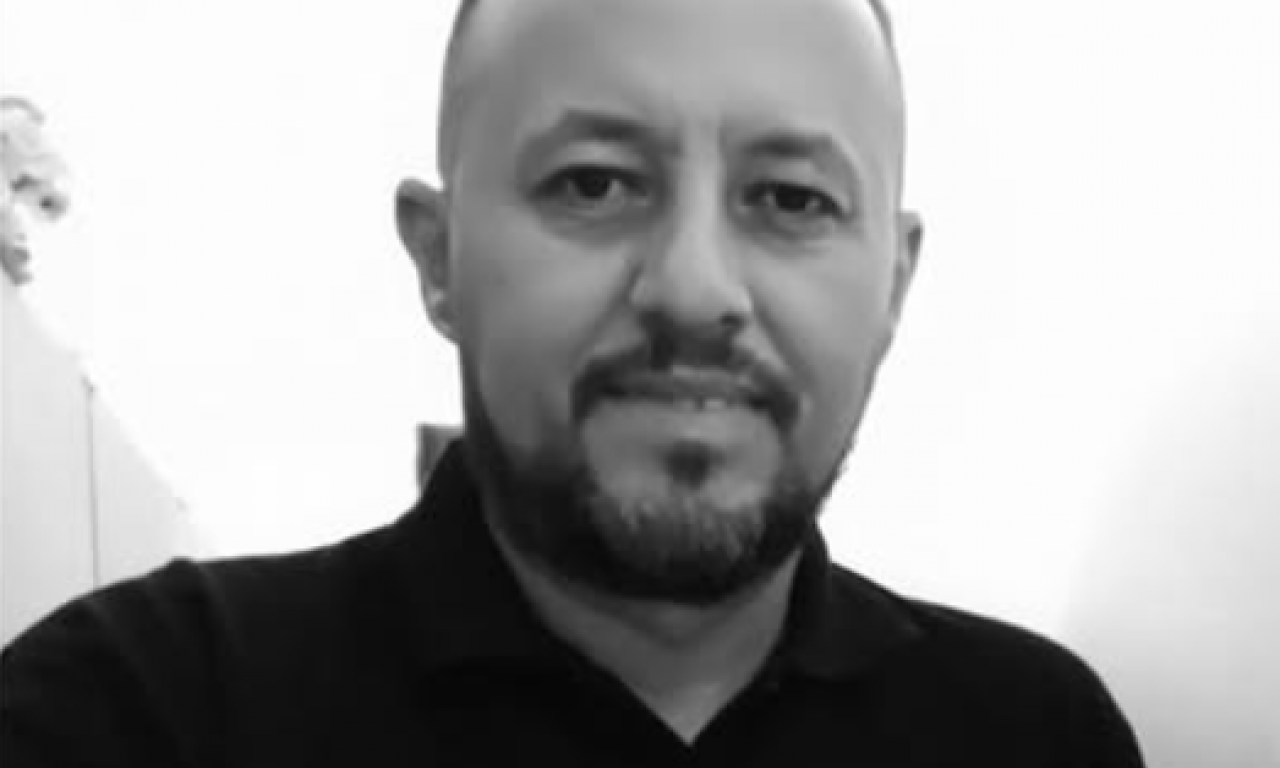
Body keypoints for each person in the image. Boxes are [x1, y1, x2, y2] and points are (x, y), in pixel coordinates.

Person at [1, 0, 1147, 764]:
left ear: (891, 284)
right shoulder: (135, 711)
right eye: (592, 183)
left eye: (791, 199)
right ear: (438, 258)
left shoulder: (1035, 735)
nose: (693, 289)